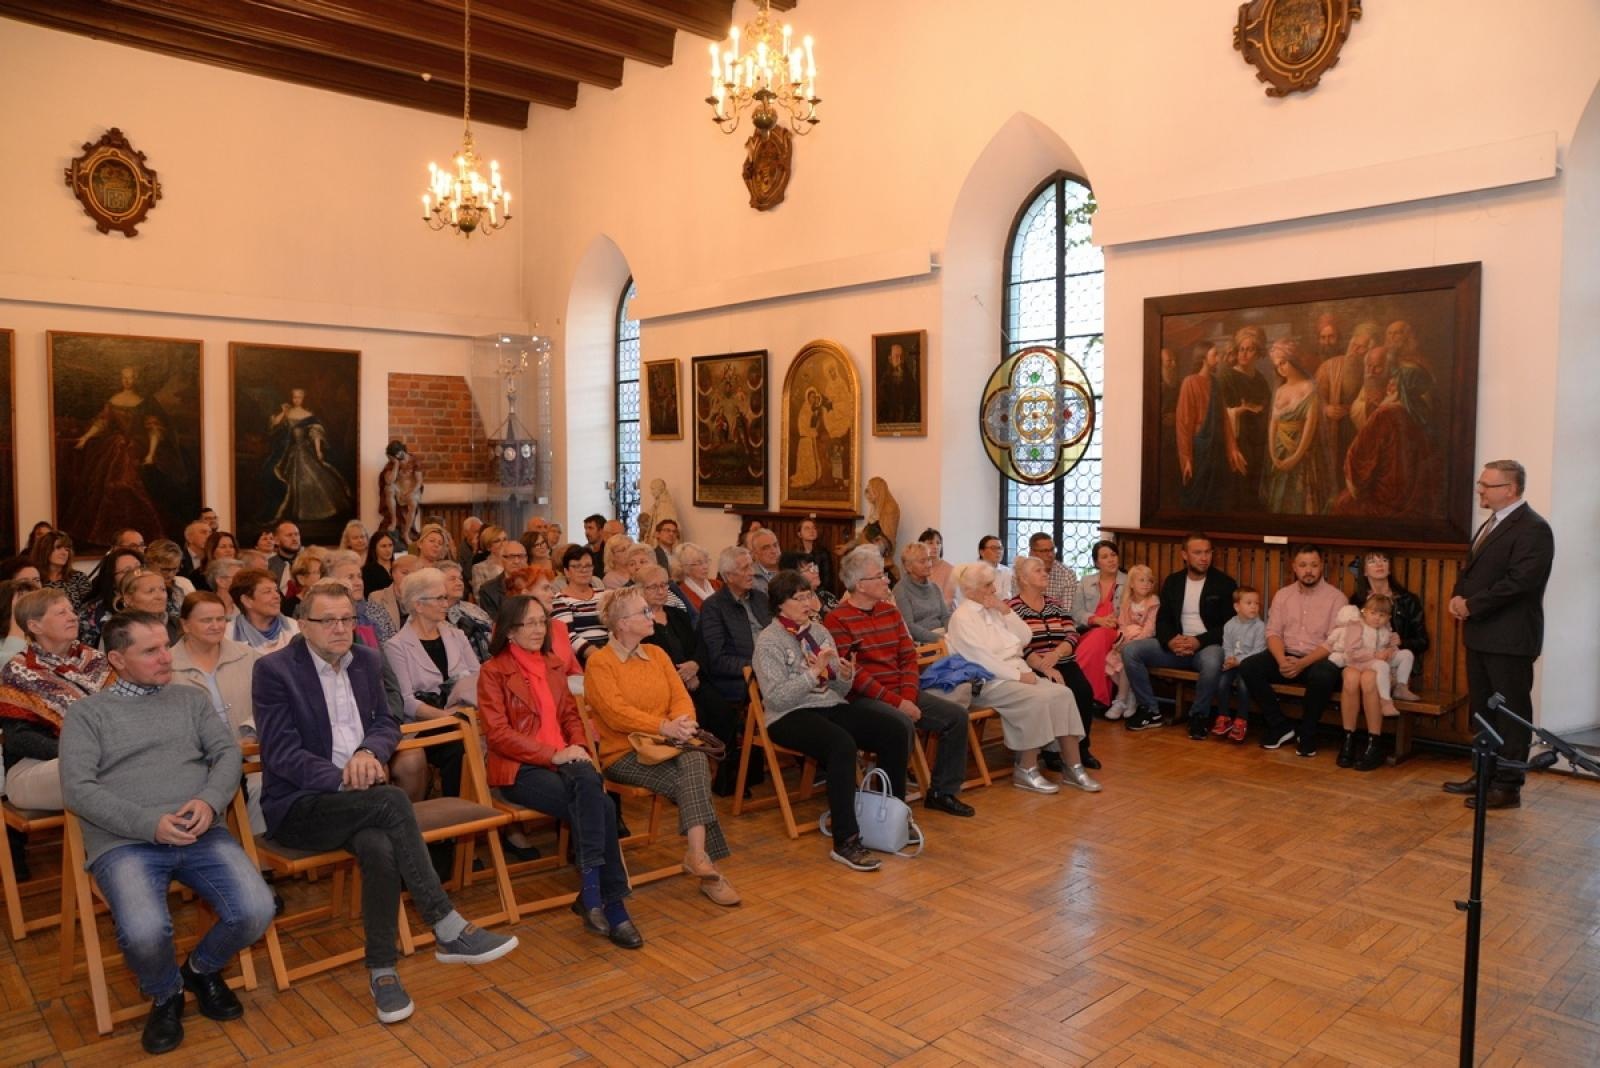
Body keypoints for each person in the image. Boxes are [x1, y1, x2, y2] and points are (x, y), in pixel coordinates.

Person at [254, 581, 518, 1022]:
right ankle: (446, 926)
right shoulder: (275, 670)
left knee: (379, 844)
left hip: (365, 798)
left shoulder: (367, 661)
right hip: (301, 805)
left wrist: (368, 754)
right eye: (328, 620)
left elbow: (385, 722)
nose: (341, 629)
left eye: (347, 619)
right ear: (303, 624)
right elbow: (281, 754)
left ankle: (382, 971)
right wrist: (343, 776)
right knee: (393, 801)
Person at [58, 610, 276, 1055]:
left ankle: (200, 969)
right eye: (151, 650)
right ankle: (165, 992)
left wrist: (209, 800)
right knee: (144, 931)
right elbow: (78, 790)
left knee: (257, 909)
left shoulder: (189, 700)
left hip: (199, 829)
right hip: (125, 841)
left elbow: (227, 755)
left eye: (165, 646)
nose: (166, 658)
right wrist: (147, 825)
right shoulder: (87, 714)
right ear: (117, 659)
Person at [477, 595, 643, 947]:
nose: (538, 629)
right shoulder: (493, 672)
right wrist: (555, 754)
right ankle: (607, 903)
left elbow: (570, 716)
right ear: (509, 631)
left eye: (542, 621)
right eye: (528, 623)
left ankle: (596, 896)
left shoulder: (553, 664)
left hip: (566, 761)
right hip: (521, 769)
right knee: (604, 805)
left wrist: (579, 748)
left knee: (594, 794)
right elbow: (499, 735)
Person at [585, 587, 740, 906]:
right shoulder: (601, 663)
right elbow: (615, 713)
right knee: (693, 776)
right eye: (643, 612)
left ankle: (698, 857)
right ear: (622, 623)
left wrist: (681, 724)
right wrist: (663, 726)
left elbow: (680, 696)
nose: (651, 615)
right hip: (624, 753)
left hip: (668, 744)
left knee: (694, 759)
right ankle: (704, 863)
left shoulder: (657, 655)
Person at [753, 570, 911, 872]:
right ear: (779, 605)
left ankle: (889, 820)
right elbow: (776, 698)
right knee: (841, 744)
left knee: (894, 728)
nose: (807, 603)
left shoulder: (819, 632)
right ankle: (846, 840)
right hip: (789, 715)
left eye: (808, 595)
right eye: (798, 598)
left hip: (828, 704)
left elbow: (837, 689)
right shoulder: (768, 641)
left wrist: (845, 675)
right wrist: (812, 674)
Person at [825, 546, 975, 817]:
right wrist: (899, 703)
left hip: (901, 692)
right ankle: (892, 807)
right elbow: (856, 677)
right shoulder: (837, 619)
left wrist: (907, 696)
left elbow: (908, 658)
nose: (886, 580)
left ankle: (942, 792)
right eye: (879, 576)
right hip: (863, 700)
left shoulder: (890, 613)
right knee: (900, 723)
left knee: (956, 716)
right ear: (860, 585)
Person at [1442, 461, 1554, 810]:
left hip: (1510, 638)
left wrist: (1472, 605)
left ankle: (1507, 786)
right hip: (1481, 635)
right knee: (1483, 711)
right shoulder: (1492, 523)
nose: (1480, 490)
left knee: (1511, 714)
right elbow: (1474, 572)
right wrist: (1458, 598)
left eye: (1487, 485)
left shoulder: (1534, 528)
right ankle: (1484, 774)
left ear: (1511, 489)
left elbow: (1520, 583)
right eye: (1480, 484)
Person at [945, 563, 1100, 795]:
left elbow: (1025, 637)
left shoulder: (993, 609)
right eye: (988, 586)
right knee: (1036, 699)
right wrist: (1019, 676)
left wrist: (1005, 611)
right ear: (970, 590)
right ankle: (1025, 769)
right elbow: (982, 660)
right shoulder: (963, 617)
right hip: (989, 681)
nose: (994, 590)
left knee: (1064, 694)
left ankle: (1073, 766)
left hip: (1015, 673)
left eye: (993, 584)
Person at [0, 588, 117, 813]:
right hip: (34, 766)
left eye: (72, 611)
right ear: (35, 626)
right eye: (61, 613)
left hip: (102, 757)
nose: (73, 616)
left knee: (131, 763)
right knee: (111, 768)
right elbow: (19, 739)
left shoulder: (97, 662)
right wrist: (83, 751)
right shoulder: (19, 671)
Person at [1118, 532, 1237, 734]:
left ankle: (1199, 716)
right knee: (1130, 651)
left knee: (1213, 660)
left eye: (1207, 552)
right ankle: (1150, 710)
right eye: (1197, 553)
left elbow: (1229, 626)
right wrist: (1171, 641)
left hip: (1206, 646)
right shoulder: (1174, 582)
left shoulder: (1224, 583)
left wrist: (1198, 641)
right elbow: (1162, 620)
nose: (1203, 557)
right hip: (1175, 646)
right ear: (1185, 555)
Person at [1239, 544, 1348, 757]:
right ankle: (1280, 726)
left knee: (1324, 674)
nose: (1309, 570)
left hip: (1316, 659)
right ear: (1294, 568)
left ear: (1321, 566)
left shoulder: (1337, 598)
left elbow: (1334, 642)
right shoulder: (1283, 595)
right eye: (1303, 565)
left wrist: (1302, 663)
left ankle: (1308, 733)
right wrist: (1281, 661)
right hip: (1285, 655)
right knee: (1249, 666)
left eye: (1314, 565)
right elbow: (1273, 633)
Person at [382, 567, 479, 801]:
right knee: (458, 748)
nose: (447, 603)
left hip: (462, 717)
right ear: (418, 605)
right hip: (421, 726)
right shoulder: (396, 646)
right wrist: (447, 717)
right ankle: (456, 820)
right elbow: (406, 701)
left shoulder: (456, 635)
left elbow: (478, 676)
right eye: (440, 598)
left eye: (446, 597)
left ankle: (483, 818)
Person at [169, 592, 264, 830]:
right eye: (206, 620)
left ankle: (259, 858)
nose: (215, 626)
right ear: (185, 624)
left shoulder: (249, 656)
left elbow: (269, 702)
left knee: (263, 785)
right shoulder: (166, 665)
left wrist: (250, 733)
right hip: (196, 759)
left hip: (250, 751)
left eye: (220, 619)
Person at [66, 366, 180, 547]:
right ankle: (111, 533)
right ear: (121, 379)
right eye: (124, 377)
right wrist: (86, 437)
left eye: (131, 377)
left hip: (137, 448)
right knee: (109, 486)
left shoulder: (144, 403)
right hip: (114, 447)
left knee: (128, 485)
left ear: (136, 379)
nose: (127, 381)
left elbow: (154, 429)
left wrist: (150, 454)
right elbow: (103, 422)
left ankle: (140, 533)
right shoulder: (113, 400)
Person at [1008, 555, 1104, 770]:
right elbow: (1015, 643)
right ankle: (1051, 752)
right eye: (1038, 570)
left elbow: (1072, 634)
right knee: (1053, 695)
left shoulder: (1055, 604)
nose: (1045, 573)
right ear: (1023, 579)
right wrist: (1044, 664)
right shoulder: (1012, 608)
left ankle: (1082, 749)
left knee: (1083, 691)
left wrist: (1057, 654)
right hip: (1034, 665)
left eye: (1045, 570)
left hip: (1063, 660)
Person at [1327, 596, 1399, 771]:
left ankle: (1374, 743)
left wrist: (1391, 649)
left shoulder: (1386, 628)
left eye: (1381, 614)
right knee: (1351, 680)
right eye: (1373, 613)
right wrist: (1375, 654)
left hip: (1379, 668)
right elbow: (1351, 652)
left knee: (1369, 680)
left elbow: (1394, 647)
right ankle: (1348, 739)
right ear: (1364, 611)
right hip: (1355, 662)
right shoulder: (1356, 624)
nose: (1377, 617)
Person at [1349, 548, 1426, 701]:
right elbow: (1349, 639)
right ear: (1364, 571)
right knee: (1367, 680)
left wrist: (1402, 641)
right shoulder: (1357, 601)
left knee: (1375, 681)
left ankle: (1399, 688)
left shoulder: (1407, 600)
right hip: (1366, 660)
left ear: (1389, 568)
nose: (1379, 564)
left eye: (1384, 560)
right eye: (1372, 561)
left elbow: (1423, 641)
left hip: (1395, 663)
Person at [698, 546, 771, 705]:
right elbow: (718, 660)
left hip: (771, 671)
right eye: (745, 568)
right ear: (729, 576)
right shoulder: (713, 607)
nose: (752, 572)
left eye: (751, 565)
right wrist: (759, 666)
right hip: (742, 681)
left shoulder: (760, 598)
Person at [268, 388, 353, 524]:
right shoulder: (287, 412)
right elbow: (274, 425)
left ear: (303, 398)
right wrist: (283, 412)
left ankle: (311, 513)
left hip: (304, 450)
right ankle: (293, 513)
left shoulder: (308, 415)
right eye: (294, 397)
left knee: (309, 479)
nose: (296, 400)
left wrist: (318, 451)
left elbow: (316, 434)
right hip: (290, 451)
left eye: (299, 397)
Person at [1262, 338, 1328, 515]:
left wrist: (1296, 457)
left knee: (1300, 496)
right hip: (1279, 449)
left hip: (1301, 451)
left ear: (1294, 360)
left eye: (1283, 362)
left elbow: (1309, 426)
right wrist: (1273, 454)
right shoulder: (1280, 390)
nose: (1280, 368)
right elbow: (1273, 423)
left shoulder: (1309, 388)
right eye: (1277, 365)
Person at [1070, 540, 1127, 712]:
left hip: (1116, 630)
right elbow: (1076, 612)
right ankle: (1093, 696)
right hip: (1088, 629)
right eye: (1104, 557)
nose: (1111, 560)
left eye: (1113, 555)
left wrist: (1114, 621)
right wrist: (1096, 619)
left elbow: (1134, 610)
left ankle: (1085, 694)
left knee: (1101, 636)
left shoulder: (1129, 581)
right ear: (1096, 562)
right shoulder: (1086, 581)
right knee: (1096, 637)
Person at [1103, 565, 1161, 730]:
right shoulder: (1127, 602)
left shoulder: (1153, 602)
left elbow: (1150, 629)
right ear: (1132, 584)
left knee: (1126, 658)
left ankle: (1120, 700)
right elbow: (1122, 625)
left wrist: (1131, 643)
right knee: (1111, 660)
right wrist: (1120, 642)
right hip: (1127, 639)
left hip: (1143, 641)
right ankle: (1131, 696)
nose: (1146, 584)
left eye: (1150, 580)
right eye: (1141, 580)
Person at [1220, 327, 1271, 511]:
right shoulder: (1226, 377)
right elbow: (1219, 413)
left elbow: (1267, 408)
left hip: (1257, 443)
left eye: (1249, 349)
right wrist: (1239, 410)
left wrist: (1261, 411)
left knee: (1254, 491)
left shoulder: (1261, 380)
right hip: (1236, 441)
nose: (1244, 353)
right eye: (1241, 349)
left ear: (1258, 353)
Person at [1210, 587, 1266, 743]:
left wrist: (1238, 661)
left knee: (1243, 685)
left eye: (1257, 603)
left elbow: (1259, 651)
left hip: (1249, 666)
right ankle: (1224, 717)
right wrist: (1229, 660)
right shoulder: (1229, 625)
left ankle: (1241, 720)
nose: (1254, 606)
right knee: (1222, 682)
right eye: (1249, 603)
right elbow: (1227, 646)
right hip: (1232, 663)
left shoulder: (1260, 627)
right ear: (1237, 607)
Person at [79, 546, 146, 648]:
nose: (137, 575)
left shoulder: (154, 597)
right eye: (127, 571)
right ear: (112, 580)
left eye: (139, 568)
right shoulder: (94, 612)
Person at [552, 546, 608, 665]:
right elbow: (569, 637)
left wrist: (613, 653)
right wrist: (600, 657)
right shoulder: (559, 600)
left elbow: (615, 627)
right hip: (582, 658)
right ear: (566, 571)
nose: (583, 570)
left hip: (610, 652)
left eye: (588, 565)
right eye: (577, 566)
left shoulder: (604, 595)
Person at [228, 567, 299, 652]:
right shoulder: (228, 635)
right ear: (247, 601)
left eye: (276, 590)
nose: (277, 596)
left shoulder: (295, 628)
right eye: (267, 592)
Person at [893, 541, 950, 643]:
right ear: (908, 567)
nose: (929, 564)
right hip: (922, 643)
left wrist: (951, 633)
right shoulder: (901, 590)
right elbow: (908, 626)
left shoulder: (935, 587)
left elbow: (946, 616)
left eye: (929, 559)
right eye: (922, 561)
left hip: (944, 638)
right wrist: (938, 638)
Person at [439, 561, 493, 663]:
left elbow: (492, 630)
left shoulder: (471, 608)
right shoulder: (435, 615)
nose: (459, 583)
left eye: (460, 579)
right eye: (452, 579)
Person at [378, 440, 424, 547]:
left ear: (403, 449)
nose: (398, 456)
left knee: (413, 502)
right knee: (388, 488)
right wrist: (396, 465)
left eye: (399, 453)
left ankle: (406, 533)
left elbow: (419, 482)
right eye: (395, 456)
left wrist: (410, 492)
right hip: (399, 489)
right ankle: (394, 520)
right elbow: (389, 481)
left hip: (411, 489)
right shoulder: (392, 463)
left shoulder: (414, 461)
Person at [34, 530, 92, 613]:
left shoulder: (78, 577)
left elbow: (89, 607)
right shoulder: (35, 578)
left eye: (67, 549)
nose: (64, 553)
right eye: (58, 548)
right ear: (45, 550)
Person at [476, 534, 527, 618]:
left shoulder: (535, 582)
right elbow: (495, 624)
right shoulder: (488, 590)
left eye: (521, 556)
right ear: (502, 560)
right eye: (511, 557)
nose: (517, 561)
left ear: (526, 559)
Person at [1027, 532, 1078, 607]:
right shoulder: (1020, 573)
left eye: (1052, 550)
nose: (1050, 555)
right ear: (1032, 553)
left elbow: (1066, 610)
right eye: (1044, 551)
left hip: (1056, 617)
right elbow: (1015, 606)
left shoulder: (1067, 574)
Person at [673, 543, 722, 614]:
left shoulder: (718, 584)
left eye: (706, 561)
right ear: (686, 567)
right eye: (699, 563)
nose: (705, 567)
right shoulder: (681, 594)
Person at [918, 529, 955, 605]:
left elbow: (948, 600)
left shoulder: (950, 570)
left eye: (938, 543)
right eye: (930, 543)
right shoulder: (916, 567)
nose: (935, 546)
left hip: (941, 613)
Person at [976, 535, 1015, 601]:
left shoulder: (1007, 571)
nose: (998, 551)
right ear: (982, 552)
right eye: (993, 548)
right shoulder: (973, 572)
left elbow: (1007, 597)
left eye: (1000, 548)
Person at [265, 520, 301, 587]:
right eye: (289, 535)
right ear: (276, 541)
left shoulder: (307, 562)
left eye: (296, 534)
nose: (294, 539)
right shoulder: (268, 565)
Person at [363, 530, 397, 595]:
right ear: (374, 548)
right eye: (383, 546)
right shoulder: (367, 571)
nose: (388, 550)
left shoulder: (398, 566)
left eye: (390, 545)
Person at [179, 520, 211, 589]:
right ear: (189, 538)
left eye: (210, 533)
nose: (209, 536)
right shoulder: (179, 559)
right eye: (203, 532)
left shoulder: (213, 559)